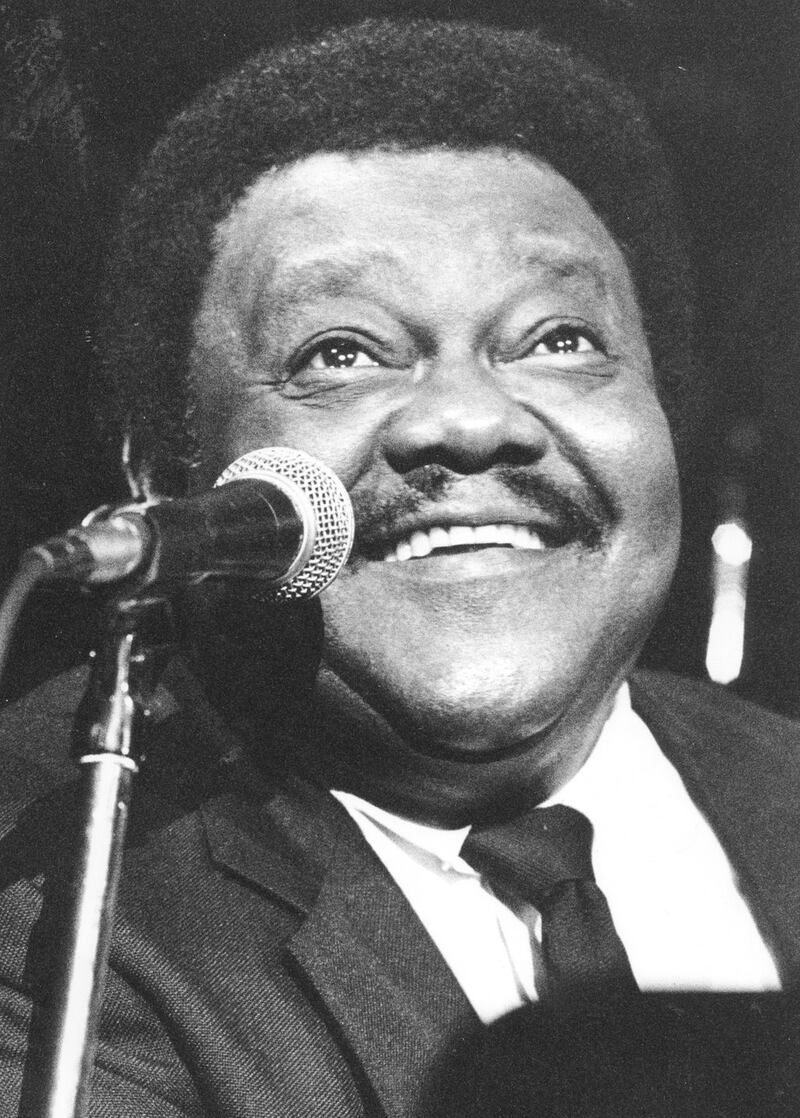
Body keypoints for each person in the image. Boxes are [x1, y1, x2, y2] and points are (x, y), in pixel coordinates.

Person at [1, 17, 799, 1118]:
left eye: (557, 336)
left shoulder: (782, 790)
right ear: (161, 467)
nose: (469, 422)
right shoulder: (49, 898)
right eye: (339, 353)